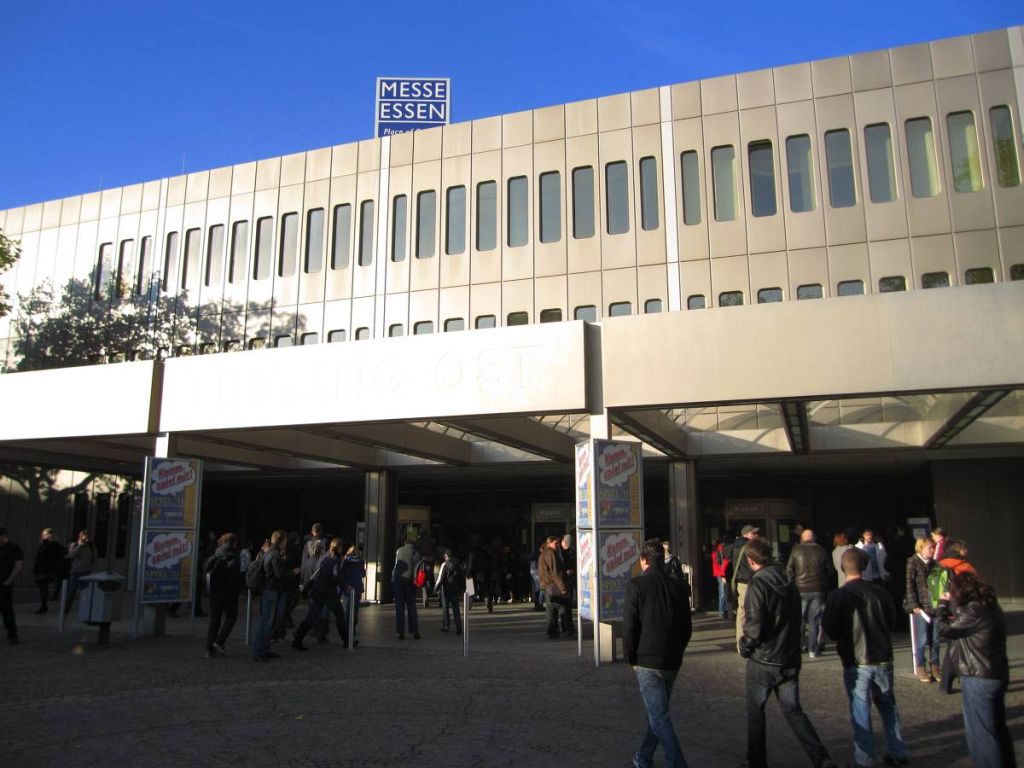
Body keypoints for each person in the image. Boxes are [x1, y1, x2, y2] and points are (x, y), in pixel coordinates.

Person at [739, 538, 836, 768]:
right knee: (793, 711)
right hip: (788, 656)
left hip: (764, 658)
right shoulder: (788, 581)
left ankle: (756, 762)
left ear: (751, 560)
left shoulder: (758, 584)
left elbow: (755, 624)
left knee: (756, 713)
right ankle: (821, 758)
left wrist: (746, 645)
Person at [823, 547, 908, 768]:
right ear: (865, 566)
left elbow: (830, 629)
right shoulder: (880, 593)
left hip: (856, 659)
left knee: (860, 710)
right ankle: (898, 751)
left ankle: (864, 758)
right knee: (888, 706)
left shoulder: (839, 596)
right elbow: (891, 622)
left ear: (842, 567)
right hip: (882, 656)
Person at [623, 539, 693, 768]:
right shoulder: (677, 587)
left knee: (659, 716)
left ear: (644, 560)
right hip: (671, 659)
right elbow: (687, 627)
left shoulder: (637, 585)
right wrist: (679, 650)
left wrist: (630, 657)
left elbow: (630, 626)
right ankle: (644, 756)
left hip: (647, 659)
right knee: (657, 713)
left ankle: (677, 763)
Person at [937, 569, 1016, 767]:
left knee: (981, 735)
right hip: (997, 673)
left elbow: (944, 630)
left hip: (978, 676)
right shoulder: (991, 606)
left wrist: (942, 605)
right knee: (998, 729)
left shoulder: (973, 610)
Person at [292, 537, 350, 651]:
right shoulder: (336, 559)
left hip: (317, 590)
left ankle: (298, 637)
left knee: (312, 616)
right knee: (340, 616)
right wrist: (344, 588)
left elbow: (316, 571)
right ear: (340, 548)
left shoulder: (325, 556)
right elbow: (336, 576)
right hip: (329, 592)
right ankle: (347, 640)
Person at [786, 529, 832, 659]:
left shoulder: (796, 550)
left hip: (800, 589)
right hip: (818, 589)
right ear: (814, 538)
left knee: (799, 619)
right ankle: (813, 649)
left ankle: (799, 645)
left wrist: (792, 584)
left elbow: (789, 569)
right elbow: (830, 570)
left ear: (802, 538)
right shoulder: (821, 551)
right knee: (814, 620)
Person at [904, 536, 940, 683]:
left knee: (935, 638)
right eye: (929, 547)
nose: (932, 550)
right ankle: (920, 666)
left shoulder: (934, 563)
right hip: (921, 606)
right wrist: (914, 604)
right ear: (921, 548)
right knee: (922, 638)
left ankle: (935, 666)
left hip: (934, 605)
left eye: (933, 547)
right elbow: (910, 584)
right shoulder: (913, 562)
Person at [203, 532, 243, 657]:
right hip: (228, 593)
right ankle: (219, 641)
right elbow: (236, 577)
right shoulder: (233, 557)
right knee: (231, 618)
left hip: (215, 592)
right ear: (233, 543)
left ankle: (209, 647)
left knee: (214, 619)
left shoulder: (215, 555)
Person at [253, 530, 288, 662]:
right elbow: (279, 574)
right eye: (285, 540)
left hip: (268, 589)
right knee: (265, 622)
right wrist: (290, 572)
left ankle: (265, 648)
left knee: (268, 622)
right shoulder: (275, 554)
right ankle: (258, 651)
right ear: (281, 541)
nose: (286, 543)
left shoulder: (269, 552)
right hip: (271, 589)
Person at [727, 525, 762, 652]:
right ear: (746, 534)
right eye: (754, 533)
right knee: (754, 611)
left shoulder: (735, 547)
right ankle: (752, 641)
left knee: (742, 612)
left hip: (740, 582)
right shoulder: (749, 548)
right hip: (749, 581)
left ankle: (740, 643)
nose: (756, 535)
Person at [538, 535, 573, 639]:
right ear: (549, 543)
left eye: (558, 543)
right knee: (563, 607)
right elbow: (555, 573)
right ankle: (567, 630)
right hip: (553, 586)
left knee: (551, 609)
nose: (558, 545)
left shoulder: (543, 553)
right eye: (555, 543)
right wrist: (562, 587)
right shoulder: (550, 553)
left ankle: (552, 631)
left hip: (547, 586)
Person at [392, 537, 420, 640]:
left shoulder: (399, 550)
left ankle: (401, 632)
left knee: (400, 607)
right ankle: (415, 632)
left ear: (404, 542)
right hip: (409, 580)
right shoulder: (415, 553)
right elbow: (416, 568)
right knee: (411, 606)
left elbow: (396, 564)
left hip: (398, 579)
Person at [0, 527, 24, 644]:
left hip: (5, 583)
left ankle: (12, 634)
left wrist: (9, 580)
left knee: (6, 609)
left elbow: (18, 565)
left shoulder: (14, 547)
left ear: (3, 536)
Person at [32, 528, 65, 614]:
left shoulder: (49, 545)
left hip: (45, 570)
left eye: (45, 534)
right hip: (44, 569)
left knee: (44, 588)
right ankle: (44, 605)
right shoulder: (50, 545)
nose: (43, 536)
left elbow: (43, 557)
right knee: (43, 588)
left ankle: (44, 605)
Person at [64, 530, 96, 615]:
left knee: (85, 594)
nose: (86, 539)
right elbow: (71, 555)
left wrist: (92, 568)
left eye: (88, 537)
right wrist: (79, 546)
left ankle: (85, 612)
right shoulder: (74, 545)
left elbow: (94, 558)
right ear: (80, 537)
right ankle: (65, 611)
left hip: (86, 573)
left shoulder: (91, 546)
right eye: (84, 537)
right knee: (71, 593)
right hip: (76, 573)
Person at [434, 549, 465, 634]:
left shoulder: (444, 565)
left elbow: (441, 578)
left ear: (446, 556)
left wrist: (435, 589)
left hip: (446, 590)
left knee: (445, 608)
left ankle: (446, 626)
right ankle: (458, 627)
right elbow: (462, 577)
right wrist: (464, 588)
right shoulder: (458, 565)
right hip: (455, 590)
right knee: (456, 609)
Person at [340, 545, 365, 641]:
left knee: (347, 609)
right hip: (357, 588)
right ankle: (353, 628)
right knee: (355, 609)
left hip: (348, 588)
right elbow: (363, 574)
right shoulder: (361, 562)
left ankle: (348, 628)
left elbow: (342, 573)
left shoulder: (346, 562)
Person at [711, 539, 729, 619]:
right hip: (722, 573)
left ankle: (722, 610)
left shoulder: (714, 551)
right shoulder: (721, 549)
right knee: (723, 592)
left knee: (722, 592)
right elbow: (724, 562)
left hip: (718, 573)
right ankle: (722, 611)